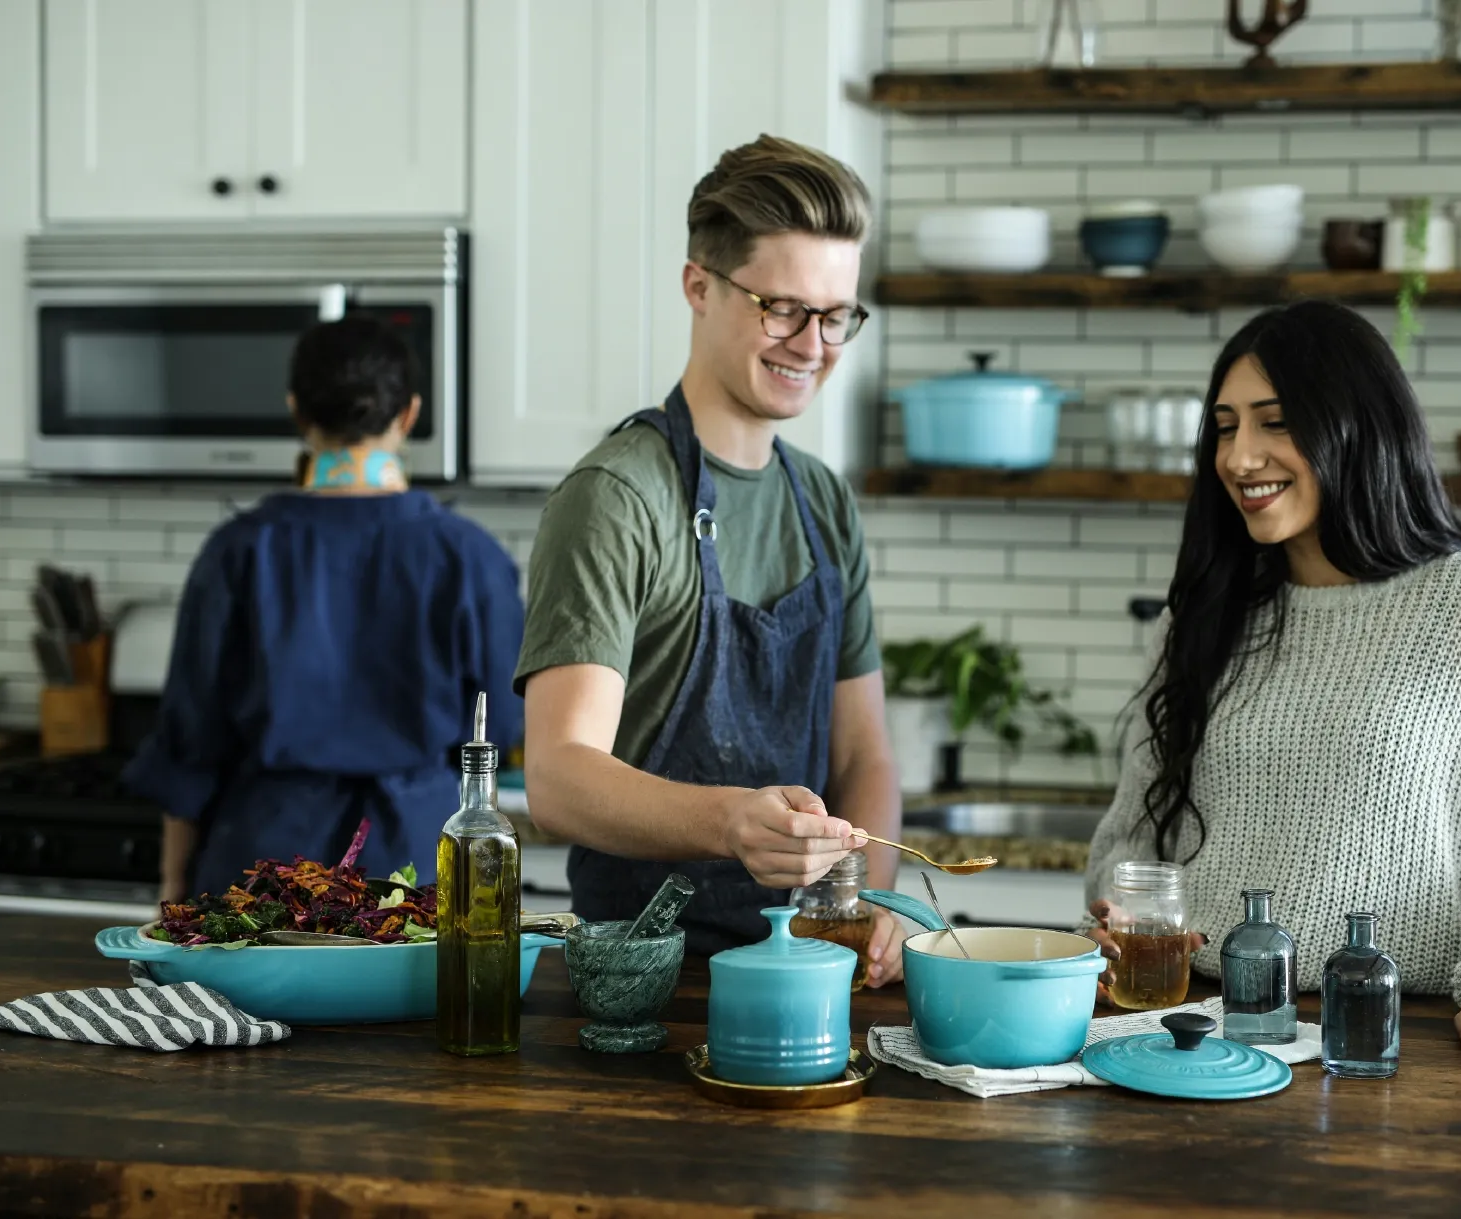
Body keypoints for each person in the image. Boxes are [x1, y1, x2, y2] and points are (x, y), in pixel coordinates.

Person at [1084, 299, 1461, 1072]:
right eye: (1226, 427)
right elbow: (1132, 839)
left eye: (1276, 421)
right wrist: (1118, 912)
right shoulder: (1202, 618)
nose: (1240, 457)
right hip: (1192, 1035)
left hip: (1391, 1041)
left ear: (1358, 427)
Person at [515, 134, 905, 984]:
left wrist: (872, 897)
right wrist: (733, 820)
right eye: (782, 308)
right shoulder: (617, 496)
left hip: (807, 974)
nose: (812, 344)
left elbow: (865, 754)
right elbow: (556, 776)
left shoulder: (824, 501)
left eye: (836, 315)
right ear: (699, 285)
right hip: (645, 989)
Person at [125, 315, 524, 901]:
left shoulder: (239, 550)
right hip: (418, 872)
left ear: (297, 412)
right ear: (409, 414)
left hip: (263, 872)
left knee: (234, 1001)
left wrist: (171, 888)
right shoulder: (471, 558)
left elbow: (190, 747)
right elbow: (505, 728)